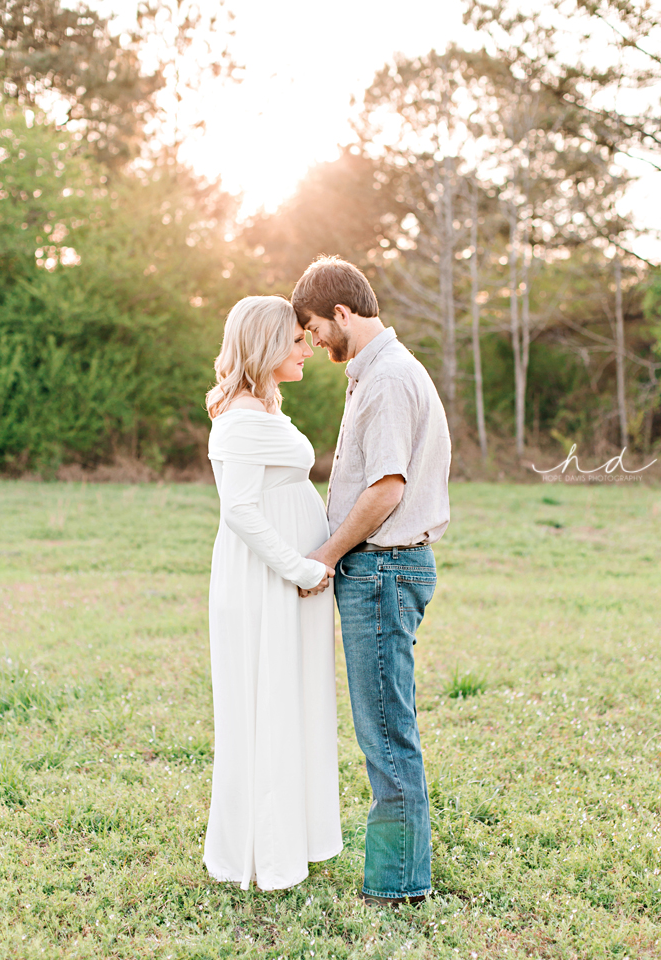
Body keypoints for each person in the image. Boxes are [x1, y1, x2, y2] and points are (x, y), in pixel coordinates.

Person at [291, 257, 451, 907]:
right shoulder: (377, 372)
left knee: (386, 733)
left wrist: (325, 555)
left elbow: (386, 489)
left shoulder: (386, 379)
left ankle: (398, 886)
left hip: (382, 569)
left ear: (341, 314)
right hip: (382, 569)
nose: (311, 344)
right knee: (384, 727)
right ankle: (399, 873)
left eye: (311, 329)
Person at [203, 295, 343, 892]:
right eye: (295, 340)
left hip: (283, 583)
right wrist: (299, 568)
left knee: (290, 703)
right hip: (266, 582)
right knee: (266, 706)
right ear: (264, 345)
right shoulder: (240, 419)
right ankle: (260, 854)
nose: (307, 346)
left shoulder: (261, 409)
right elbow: (238, 509)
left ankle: (292, 839)